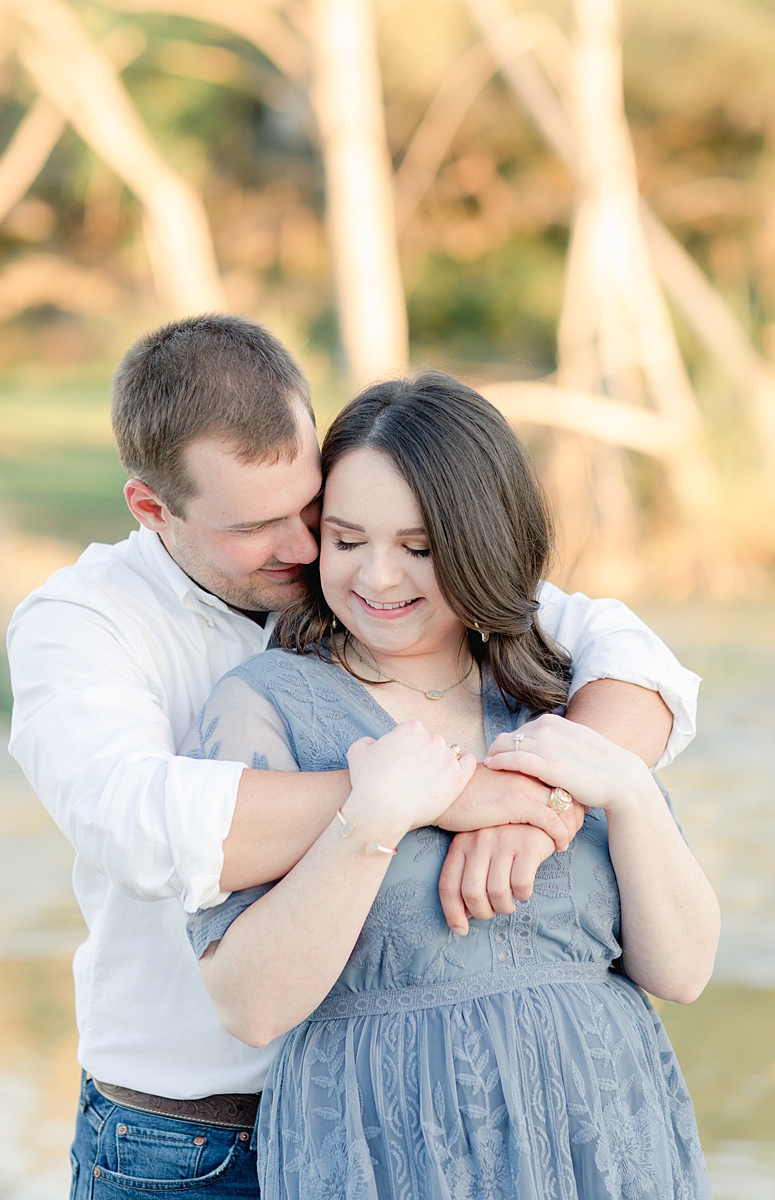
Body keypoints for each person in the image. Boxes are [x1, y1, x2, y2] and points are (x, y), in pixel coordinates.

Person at [7, 316, 698, 1199]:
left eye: (310, 508)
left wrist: (541, 796)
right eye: (258, 526)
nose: (303, 549)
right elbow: (146, 828)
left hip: (408, 1125)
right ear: (153, 509)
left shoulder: (376, 585)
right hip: (191, 1135)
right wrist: (434, 794)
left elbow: (628, 656)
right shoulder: (84, 624)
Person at [185, 372, 719, 1200]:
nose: (379, 578)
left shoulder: (560, 688)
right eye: (348, 539)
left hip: (606, 1141)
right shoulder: (262, 705)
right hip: (386, 1148)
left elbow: (682, 973)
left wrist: (626, 790)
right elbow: (248, 1006)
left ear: (479, 541)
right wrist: (373, 819)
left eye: (420, 548)